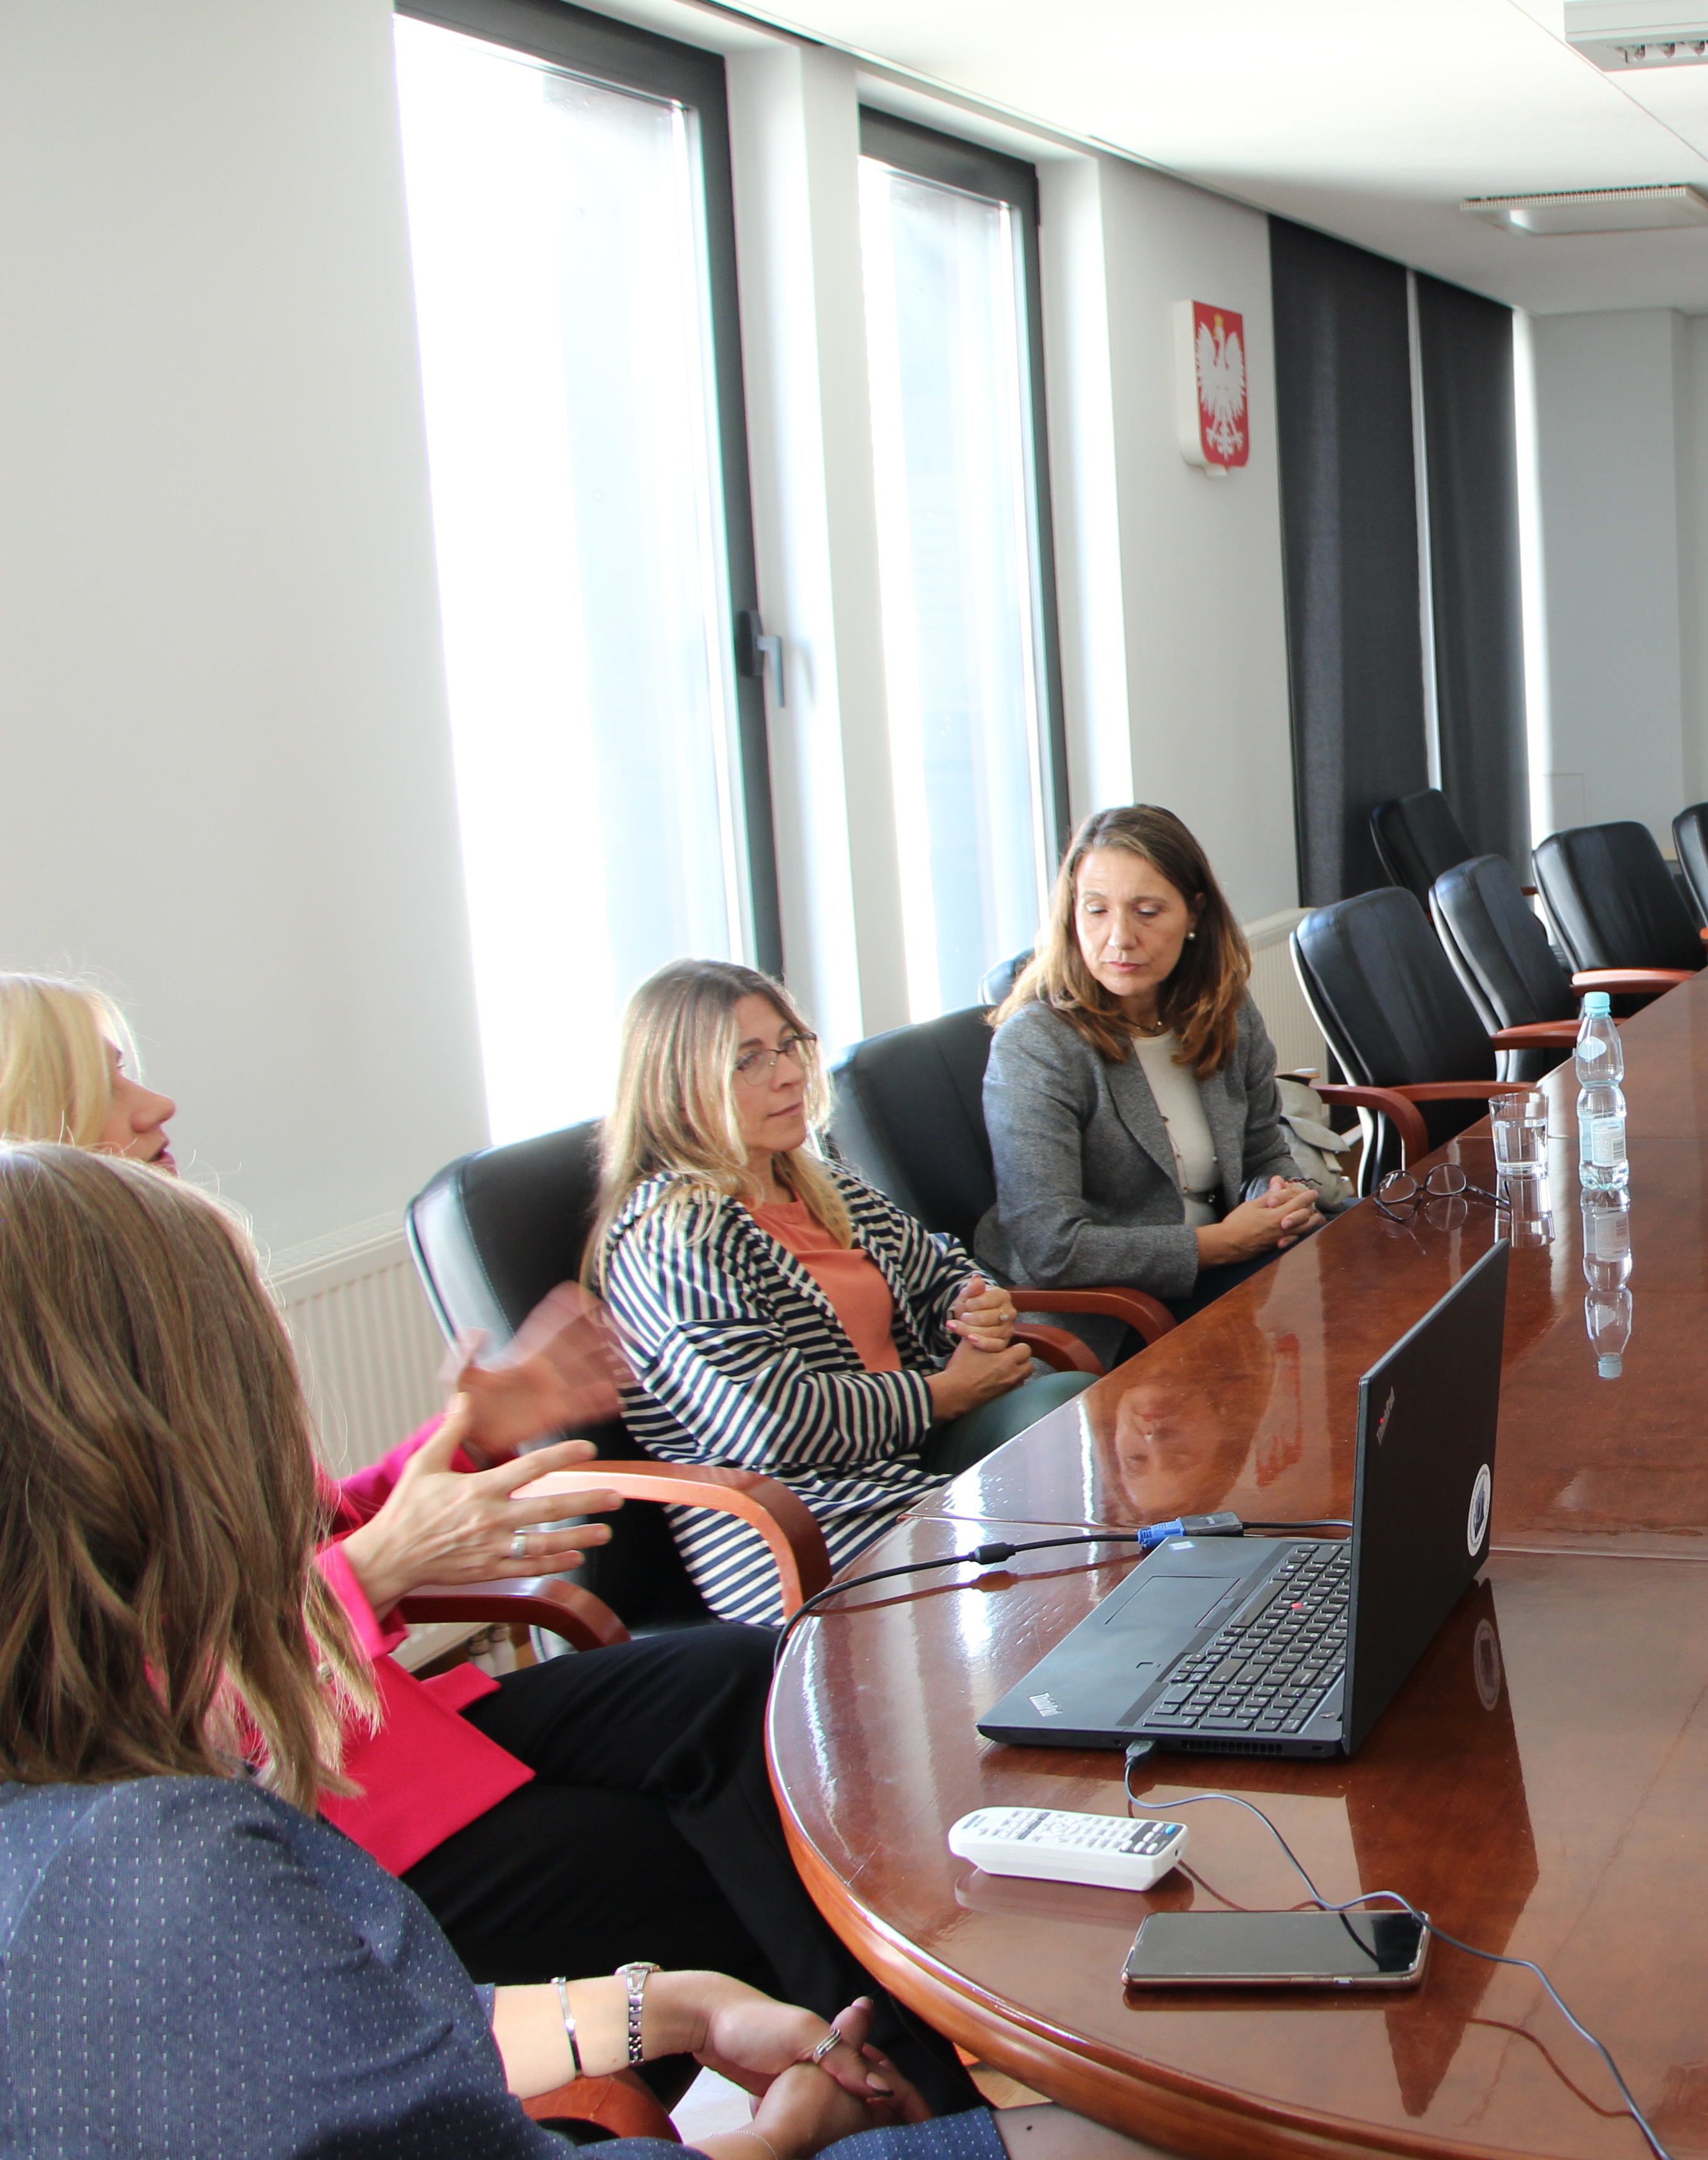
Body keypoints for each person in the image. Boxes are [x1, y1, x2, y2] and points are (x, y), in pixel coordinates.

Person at [0, 970, 984, 2120]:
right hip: (319, 1809)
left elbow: (294, 1536)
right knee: (700, 1866)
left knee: (732, 1682)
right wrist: (375, 1571)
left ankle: (893, 2085)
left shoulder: (139, 1319)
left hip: (382, 1730)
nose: (158, 1101)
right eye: (115, 1074)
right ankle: (887, 2094)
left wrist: (473, 1438)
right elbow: (137, 1704)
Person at [590, 961, 1091, 1627]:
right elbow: (769, 1419)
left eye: (790, 1044)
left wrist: (972, 1303)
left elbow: (941, 1265)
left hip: (905, 1456)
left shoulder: (816, 1183)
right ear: (679, 1087)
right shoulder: (673, 1233)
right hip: (801, 1510)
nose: (790, 1072)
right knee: (1060, 1548)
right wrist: (945, 1393)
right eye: (748, 1061)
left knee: (1078, 1419)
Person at [979, 807, 1326, 1365]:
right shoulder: (1038, 1046)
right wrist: (1219, 1245)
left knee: (1371, 1304)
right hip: (1112, 1314)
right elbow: (1052, 1248)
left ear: (1194, 913)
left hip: (1230, 1274)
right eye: (1095, 910)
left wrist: (1280, 1200)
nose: (1119, 938)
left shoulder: (1223, 1010)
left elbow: (1263, 1150)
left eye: (1147, 911)